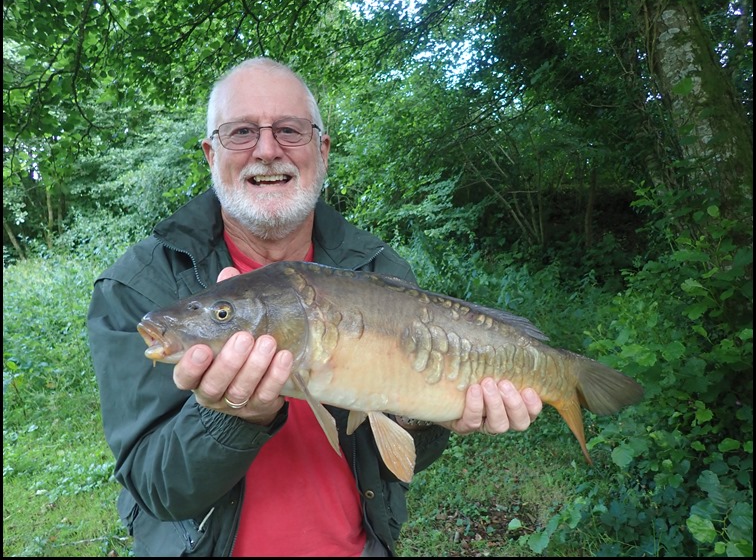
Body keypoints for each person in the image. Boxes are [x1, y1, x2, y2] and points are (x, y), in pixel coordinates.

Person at [87, 56, 543, 557]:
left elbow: (398, 459)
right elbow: (155, 488)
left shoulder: (379, 269)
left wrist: (432, 415)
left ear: (321, 150)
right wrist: (232, 416)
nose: (267, 150)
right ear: (210, 154)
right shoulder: (138, 286)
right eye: (241, 132)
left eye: (289, 130)